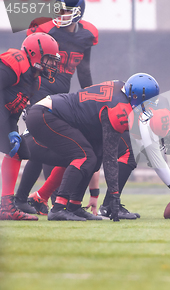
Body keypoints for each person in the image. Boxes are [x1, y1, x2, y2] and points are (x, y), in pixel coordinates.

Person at [24, 73, 159, 221]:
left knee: (93, 157)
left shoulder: (121, 90)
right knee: (84, 156)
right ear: (135, 97)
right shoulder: (118, 109)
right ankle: (58, 208)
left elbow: (102, 152)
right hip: (47, 114)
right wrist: (114, 195)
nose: (149, 106)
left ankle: (74, 207)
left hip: (53, 113)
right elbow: (110, 157)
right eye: (147, 101)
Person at [15, 0, 99, 214]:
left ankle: (41, 198)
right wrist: (25, 93)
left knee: (61, 147)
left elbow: (84, 71)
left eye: (67, 11)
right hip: (39, 91)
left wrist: (90, 100)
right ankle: (23, 199)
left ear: (79, 12)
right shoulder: (44, 29)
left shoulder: (87, 34)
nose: (61, 15)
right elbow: (28, 62)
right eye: (59, 10)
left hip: (62, 98)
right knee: (40, 145)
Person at [0, 33, 60, 221]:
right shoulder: (15, 63)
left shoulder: (34, 80)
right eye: (49, 59)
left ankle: (6, 206)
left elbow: (14, 109)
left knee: (18, 150)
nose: (52, 64)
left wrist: (11, 130)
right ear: (35, 53)